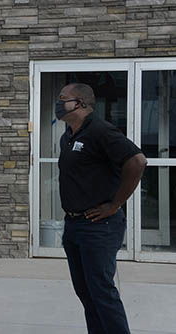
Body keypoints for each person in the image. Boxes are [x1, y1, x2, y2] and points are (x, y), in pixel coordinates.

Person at [56, 83, 147, 334]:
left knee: (102, 292)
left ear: (81, 104)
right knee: (86, 293)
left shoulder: (101, 131)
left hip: (99, 226)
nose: (58, 103)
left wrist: (115, 203)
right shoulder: (68, 135)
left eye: (63, 99)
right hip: (74, 225)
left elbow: (137, 161)